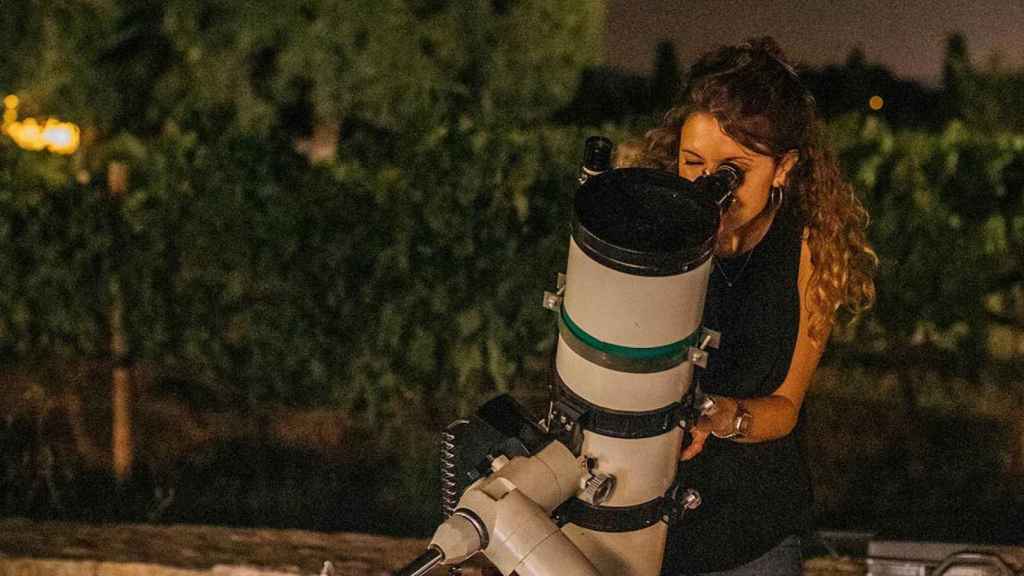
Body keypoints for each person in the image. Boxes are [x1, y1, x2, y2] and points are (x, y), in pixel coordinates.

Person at [632, 38, 877, 575]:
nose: (707, 186)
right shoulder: (652, 231)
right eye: (692, 163)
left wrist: (718, 415)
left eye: (732, 170)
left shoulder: (810, 248)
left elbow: (786, 406)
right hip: (644, 521)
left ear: (783, 168)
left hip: (752, 530)